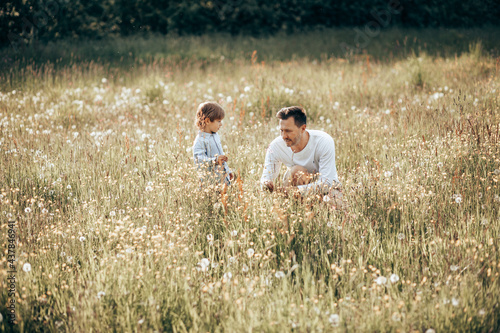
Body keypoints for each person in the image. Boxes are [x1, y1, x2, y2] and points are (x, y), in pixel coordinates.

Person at [260, 106, 342, 201]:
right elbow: (266, 177)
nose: (283, 136)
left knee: (334, 206)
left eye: (288, 131)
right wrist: (266, 183)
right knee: (297, 171)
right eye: (281, 131)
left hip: (327, 190)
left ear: (303, 128)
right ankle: (294, 208)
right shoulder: (276, 146)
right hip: (295, 188)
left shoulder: (323, 141)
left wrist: (294, 191)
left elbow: (326, 184)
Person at [193, 101, 234, 185]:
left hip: (222, 179)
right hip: (210, 182)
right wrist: (214, 160)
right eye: (218, 121)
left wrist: (228, 171)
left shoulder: (215, 136)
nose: (221, 124)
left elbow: (220, 155)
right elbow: (198, 159)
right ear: (207, 121)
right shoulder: (200, 140)